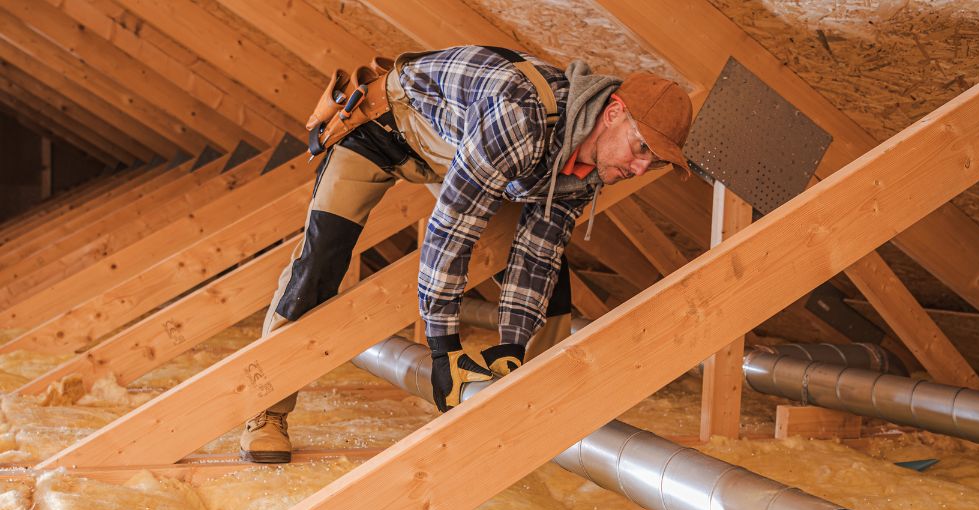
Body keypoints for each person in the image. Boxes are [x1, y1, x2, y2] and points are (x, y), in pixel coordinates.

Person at [240, 45, 693, 464]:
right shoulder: (523, 116)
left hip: (455, 150)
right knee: (319, 263)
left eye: (652, 163)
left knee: (552, 278)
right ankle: (266, 411)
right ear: (613, 113)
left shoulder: (590, 164)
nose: (639, 169)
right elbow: (452, 228)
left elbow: (537, 253)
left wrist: (509, 348)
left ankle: (528, 406)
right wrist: (443, 350)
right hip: (381, 131)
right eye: (641, 150)